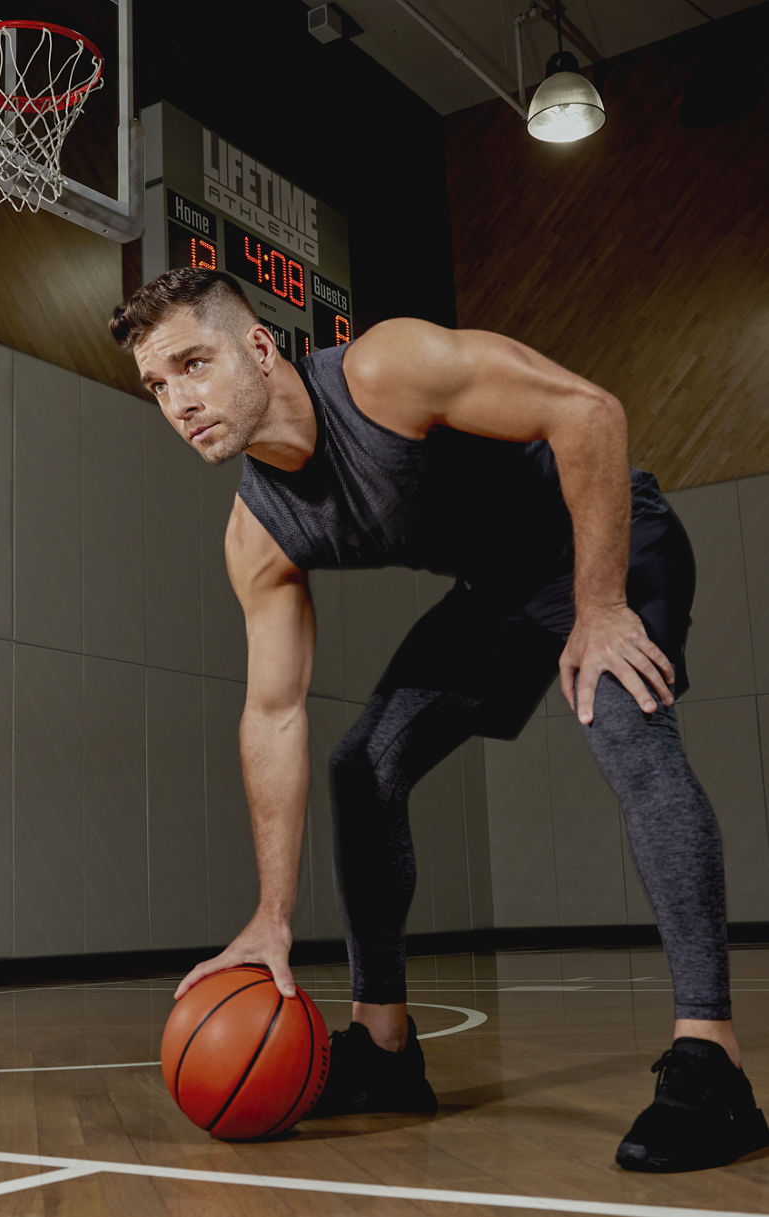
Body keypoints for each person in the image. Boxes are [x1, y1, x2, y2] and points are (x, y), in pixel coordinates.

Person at [110, 267, 768, 1173]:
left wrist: (602, 602)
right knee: (360, 766)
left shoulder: (386, 371)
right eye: (157, 385)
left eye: (192, 363)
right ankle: (383, 1051)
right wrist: (271, 915)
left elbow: (590, 412)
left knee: (620, 720)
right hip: (497, 596)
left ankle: (711, 1063)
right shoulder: (258, 535)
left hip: (604, 539)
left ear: (259, 347)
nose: (179, 401)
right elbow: (272, 712)